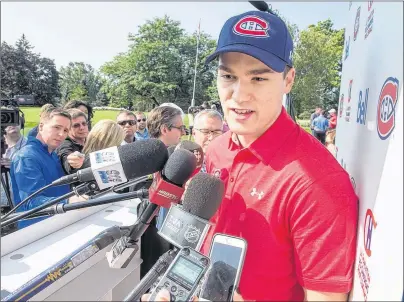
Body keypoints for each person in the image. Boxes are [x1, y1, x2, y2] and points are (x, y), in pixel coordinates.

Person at [143, 10, 358, 302]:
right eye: (228, 76)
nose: (239, 95)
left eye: (258, 78)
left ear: (288, 80)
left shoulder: (320, 182)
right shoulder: (217, 148)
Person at [10, 109, 75, 229]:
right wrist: (70, 202)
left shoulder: (53, 154)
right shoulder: (26, 157)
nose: (61, 134)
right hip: (37, 230)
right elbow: (31, 202)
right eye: (56, 127)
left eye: (66, 130)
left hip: (57, 224)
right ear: (41, 127)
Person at [1, 125, 27, 208]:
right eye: (7, 119)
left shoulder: (32, 147)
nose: (12, 124)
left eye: (14, 118)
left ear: (21, 122)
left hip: (21, 206)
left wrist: (18, 166)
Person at [56, 109, 89, 175]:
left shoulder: (90, 140)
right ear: (68, 129)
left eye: (84, 123)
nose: (82, 127)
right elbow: (66, 156)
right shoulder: (65, 144)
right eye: (76, 125)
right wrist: (72, 162)